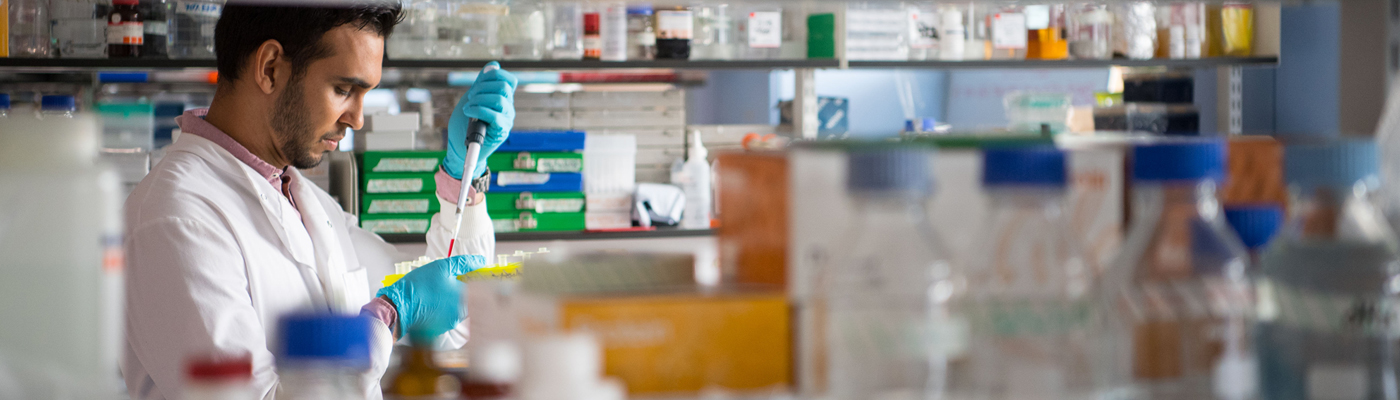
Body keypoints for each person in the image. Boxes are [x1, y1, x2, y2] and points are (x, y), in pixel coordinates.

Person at [120, 2, 517, 399]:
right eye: (344, 89)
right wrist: (387, 319)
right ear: (271, 67)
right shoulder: (174, 218)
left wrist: (462, 175)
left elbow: (448, 320)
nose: (357, 118)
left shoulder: (306, 201)